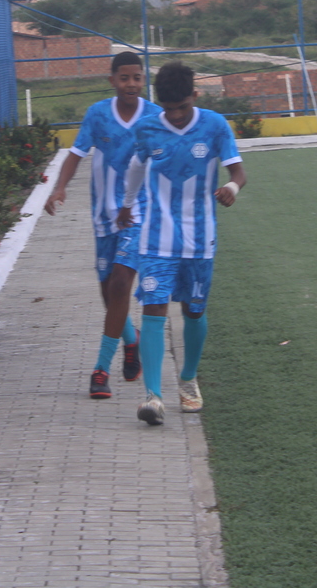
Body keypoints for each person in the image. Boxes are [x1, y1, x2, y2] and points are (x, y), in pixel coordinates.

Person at [117, 62, 246, 425]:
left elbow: (238, 171)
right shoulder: (147, 128)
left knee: (194, 311)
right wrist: (127, 205)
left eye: (182, 107)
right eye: (168, 108)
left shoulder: (215, 125)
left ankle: (188, 379)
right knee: (153, 308)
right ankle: (153, 397)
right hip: (156, 237)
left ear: (195, 96)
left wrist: (231, 188)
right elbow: (136, 167)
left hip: (199, 240)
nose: (174, 115)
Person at [45, 51, 158, 398]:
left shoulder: (154, 116)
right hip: (103, 216)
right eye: (124, 78)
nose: (131, 84)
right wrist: (60, 187)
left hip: (138, 213)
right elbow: (76, 154)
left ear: (143, 80)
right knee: (109, 293)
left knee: (122, 282)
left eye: (136, 78)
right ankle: (131, 338)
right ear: (112, 81)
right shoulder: (97, 114)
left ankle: (100, 369)